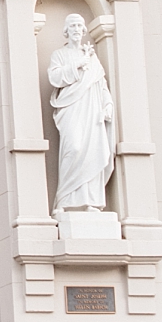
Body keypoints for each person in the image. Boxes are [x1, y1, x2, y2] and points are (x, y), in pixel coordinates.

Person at [47, 13, 115, 213]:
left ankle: (91, 201)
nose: (77, 29)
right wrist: (77, 64)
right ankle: (64, 199)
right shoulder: (59, 54)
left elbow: (100, 83)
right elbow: (55, 77)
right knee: (74, 148)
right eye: (73, 26)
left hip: (92, 109)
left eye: (79, 26)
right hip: (72, 107)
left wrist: (107, 103)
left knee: (93, 150)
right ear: (66, 31)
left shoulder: (92, 56)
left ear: (84, 30)